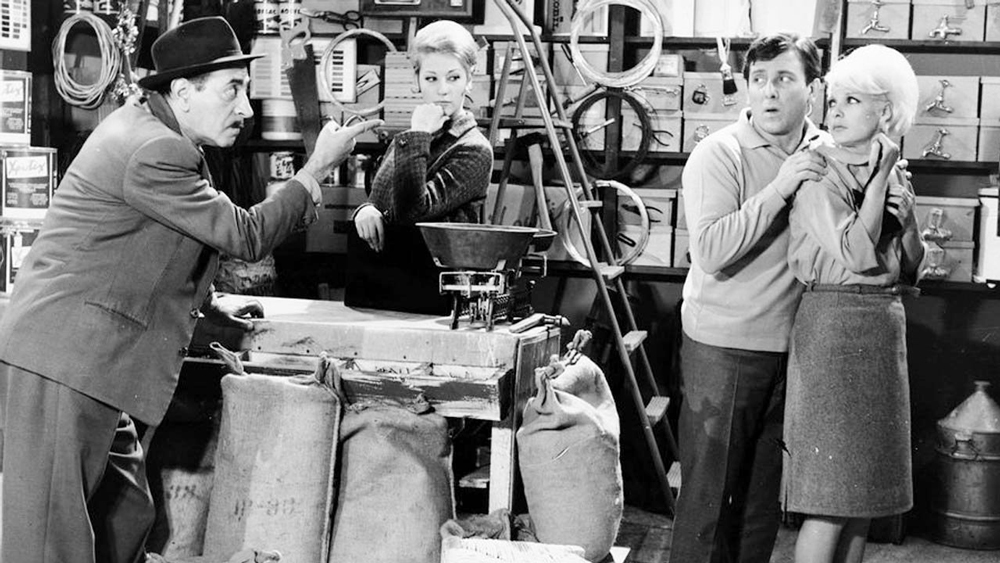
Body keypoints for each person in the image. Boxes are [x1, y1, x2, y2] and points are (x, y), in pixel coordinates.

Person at [0, 16, 381, 563]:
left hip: (97, 366)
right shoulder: (154, 149)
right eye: (232, 90)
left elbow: (152, 253)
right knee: (50, 546)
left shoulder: (163, 138)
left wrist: (210, 310)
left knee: (126, 520)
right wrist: (316, 167)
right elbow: (245, 235)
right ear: (182, 92)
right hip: (63, 362)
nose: (245, 109)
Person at [671, 33, 828, 563]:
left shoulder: (826, 153)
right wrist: (781, 187)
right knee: (708, 504)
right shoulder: (720, 153)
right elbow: (711, 251)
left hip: (796, 350)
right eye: (758, 79)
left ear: (813, 89)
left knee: (762, 506)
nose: (769, 92)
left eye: (784, 78)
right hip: (725, 347)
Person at [784, 44, 924, 563]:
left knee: (864, 499)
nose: (834, 112)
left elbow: (911, 267)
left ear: (884, 114)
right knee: (830, 501)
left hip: (883, 326)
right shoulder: (816, 172)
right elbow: (858, 253)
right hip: (834, 326)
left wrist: (908, 220)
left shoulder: (893, 172)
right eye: (834, 100)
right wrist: (881, 180)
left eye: (851, 101)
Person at [346, 20, 493, 314]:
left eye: (453, 78)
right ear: (417, 80)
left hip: (434, 296)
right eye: (431, 78)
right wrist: (365, 210)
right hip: (380, 284)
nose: (442, 90)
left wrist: (419, 136)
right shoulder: (410, 137)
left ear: (470, 78)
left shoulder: (474, 150)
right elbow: (380, 200)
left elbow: (411, 212)